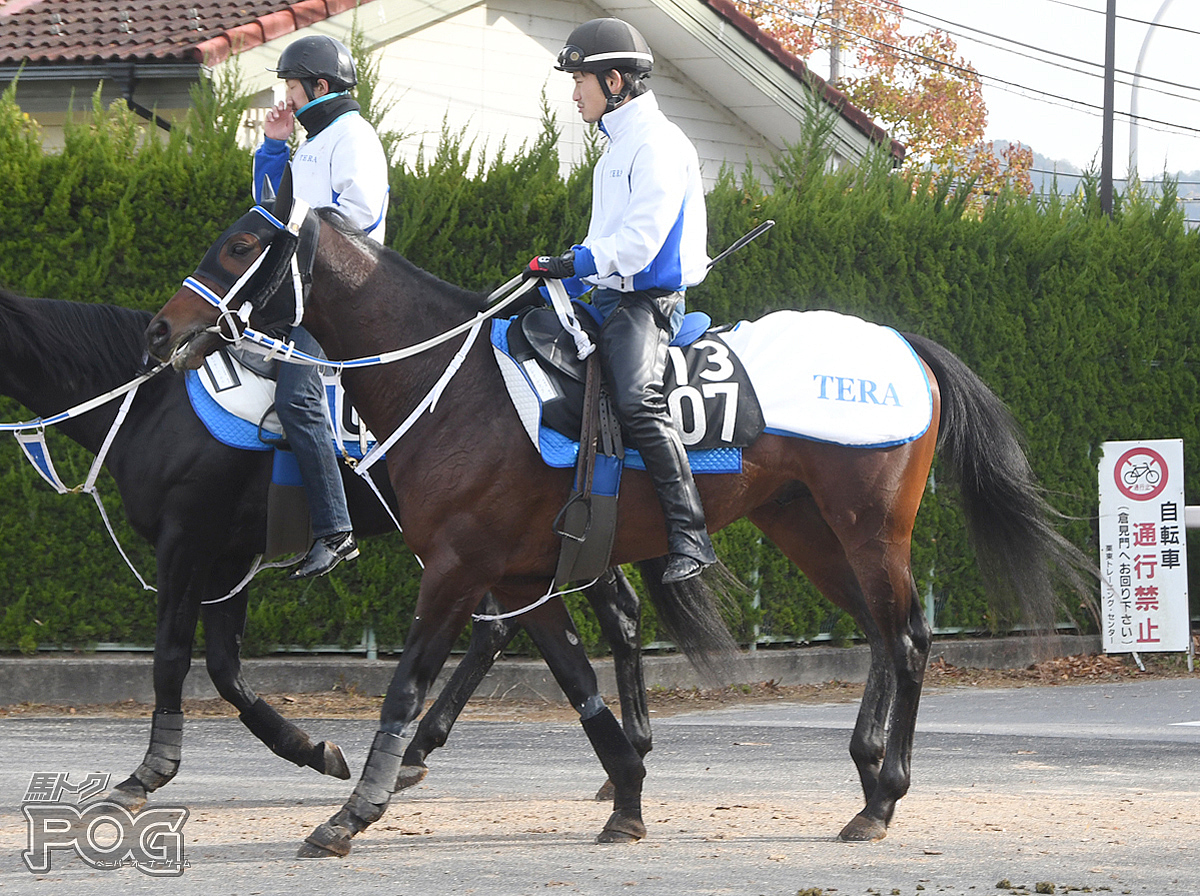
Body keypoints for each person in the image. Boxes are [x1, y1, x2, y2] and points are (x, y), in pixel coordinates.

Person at [527, 18, 717, 585]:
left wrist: (578, 262)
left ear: (615, 80)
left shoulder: (656, 143)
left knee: (637, 401)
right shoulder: (616, 146)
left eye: (579, 79)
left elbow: (637, 247)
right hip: (606, 296)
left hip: (647, 304)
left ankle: (691, 535)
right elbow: (604, 240)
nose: (574, 92)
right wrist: (566, 265)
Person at [252, 35, 390, 578]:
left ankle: (336, 531)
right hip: (298, 297)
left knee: (297, 396)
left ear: (319, 87)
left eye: (290, 85)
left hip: (340, 302)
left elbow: (360, 222)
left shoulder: (353, 136)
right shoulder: (312, 142)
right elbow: (268, 211)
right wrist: (273, 146)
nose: (285, 96)